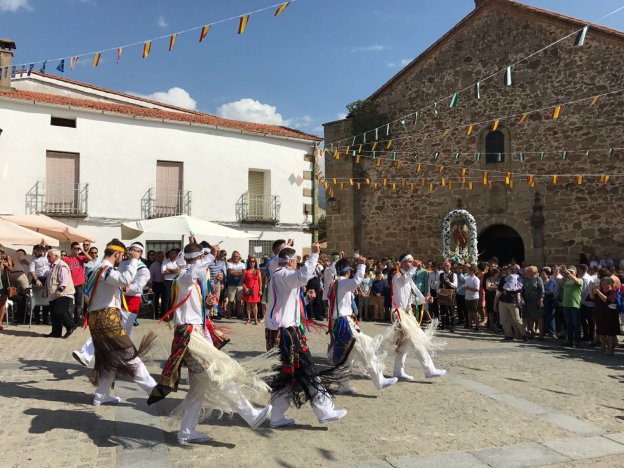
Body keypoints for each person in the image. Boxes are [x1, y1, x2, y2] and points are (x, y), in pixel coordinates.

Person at [148, 241, 273, 444]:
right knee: (220, 374)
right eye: (202, 258)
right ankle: (250, 414)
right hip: (190, 335)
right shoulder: (186, 275)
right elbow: (195, 268)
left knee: (199, 388)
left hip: (194, 334)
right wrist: (210, 255)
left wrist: (206, 302)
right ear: (197, 258)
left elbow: (193, 299)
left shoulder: (189, 278)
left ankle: (186, 432)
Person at [266, 243, 347, 427]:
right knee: (308, 370)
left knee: (285, 375)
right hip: (287, 333)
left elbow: (297, 284)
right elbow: (303, 277)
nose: (298, 265)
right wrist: (314, 255)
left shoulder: (277, 273)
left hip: (283, 332)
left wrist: (306, 297)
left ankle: (277, 416)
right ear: (292, 261)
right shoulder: (284, 275)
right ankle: (324, 410)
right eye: (296, 262)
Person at [82, 238, 157, 406]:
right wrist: (135, 260)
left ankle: (101, 395)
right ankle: (152, 388)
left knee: (109, 359)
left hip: (98, 317)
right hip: (107, 318)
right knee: (128, 354)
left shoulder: (95, 268)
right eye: (122, 255)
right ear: (116, 253)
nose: (123, 258)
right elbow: (124, 280)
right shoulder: (105, 270)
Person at [328, 257, 397, 394]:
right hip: (345, 323)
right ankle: (379, 380)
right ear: (347, 271)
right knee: (367, 349)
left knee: (347, 356)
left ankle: (343, 385)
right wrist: (361, 265)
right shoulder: (342, 283)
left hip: (341, 322)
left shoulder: (336, 283)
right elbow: (356, 281)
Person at [391, 254, 446, 380]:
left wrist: (425, 299)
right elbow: (404, 280)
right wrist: (414, 268)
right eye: (409, 262)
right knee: (416, 342)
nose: (412, 263)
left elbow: (410, 299)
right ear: (403, 263)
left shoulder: (407, 278)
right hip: (400, 314)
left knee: (404, 345)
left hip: (406, 314)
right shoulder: (398, 276)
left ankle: (398, 371)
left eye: (412, 262)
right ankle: (429, 369)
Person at [43, 249, 76, 338]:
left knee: (59, 311)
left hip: (63, 293)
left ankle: (71, 326)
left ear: (55, 256)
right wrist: (46, 292)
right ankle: (56, 333)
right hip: (54, 294)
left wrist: (60, 290)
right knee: (54, 313)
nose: (47, 258)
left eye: (49, 256)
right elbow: (50, 280)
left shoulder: (61, 265)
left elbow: (64, 280)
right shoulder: (53, 266)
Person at [494, 265, 526, 341]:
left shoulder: (518, 278)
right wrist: (495, 305)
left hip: (513, 302)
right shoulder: (503, 279)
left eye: (509, 269)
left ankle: (524, 334)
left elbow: (518, 292)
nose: (507, 271)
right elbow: (498, 292)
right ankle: (509, 335)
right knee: (504, 319)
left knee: (517, 319)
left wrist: (518, 302)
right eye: (506, 269)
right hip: (503, 301)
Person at [64, 242, 93, 326]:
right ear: (71, 249)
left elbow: (90, 258)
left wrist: (82, 250)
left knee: (78, 303)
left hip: (79, 284)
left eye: (78, 249)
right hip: (69, 284)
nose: (77, 250)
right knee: (69, 303)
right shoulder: (66, 259)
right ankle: (69, 320)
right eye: (75, 248)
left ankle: (77, 321)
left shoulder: (80, 258)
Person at [591, 277, 619, 354]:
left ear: (609, 284)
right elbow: (591, 297)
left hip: (610, 316)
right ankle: (603, 347)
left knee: (610, 334)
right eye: (602, 283)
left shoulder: (612, 292)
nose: (602, 285)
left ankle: (610, 349)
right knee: (602, 333)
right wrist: (592, 289)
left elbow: (608, 301)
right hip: (600, 315)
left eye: (604, 283)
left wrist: (599, 292)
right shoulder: (600, 291)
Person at [560, 265, 583, 348]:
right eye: (569, 272)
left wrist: (567, 273)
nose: (569, 273)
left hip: (575, 305)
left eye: (571, 272)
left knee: (576, 324)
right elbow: (557, 279)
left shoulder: (580, 279)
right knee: (569, 324)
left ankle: (577, 341)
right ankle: (570, 341)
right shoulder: (566, 281)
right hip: (566, 304)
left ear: (575, 273)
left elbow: (576, 281)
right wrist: (559, 271)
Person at [521, 266, 545, 339]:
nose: (526, 272)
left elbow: (541, 290)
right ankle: (532, 331)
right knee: (529, 317)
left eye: (528, 271)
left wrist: (540, 300)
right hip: (528, 301)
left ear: (533, 272)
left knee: (539, 317)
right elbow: (523, 290)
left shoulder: (538, 279)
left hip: (537, 301)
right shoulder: (526, 279)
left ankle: (541, 334)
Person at [242, 255, 262, 325]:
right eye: (250, 261)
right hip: (248, 290)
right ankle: (249, 319)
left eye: (253, 261)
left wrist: (260, 290)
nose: (252, 263)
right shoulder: (245, 271)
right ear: (248, 263)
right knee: (248, 304)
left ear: (255, 263)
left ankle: (256, 319)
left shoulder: (257, 271)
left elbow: (260, 282)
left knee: (255, 305)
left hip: (255, 290)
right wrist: (245, 288)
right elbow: (242, 282)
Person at [226, 251, 245, 319]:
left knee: (239, 301)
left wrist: (234, 272)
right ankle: (229, 314)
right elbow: (230, 272)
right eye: (234, 256)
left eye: (237, 256)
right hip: (231, 285)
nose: (235, 257)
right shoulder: (229, 263)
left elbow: (243, 273)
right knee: (230, 301)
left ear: (239, 257)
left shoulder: (242, 264)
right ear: (232, 256)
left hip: (240, 285)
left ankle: (238, 314)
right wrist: (239, 272)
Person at [161, 249, 181, 313]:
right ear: (169, 254)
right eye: (171, 253)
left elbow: (180, 271)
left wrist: (169, 270)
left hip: (176, 281)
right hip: (167, 281)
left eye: (174, 253)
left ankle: (174, 313)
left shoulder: (179, 262)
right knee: (167, 298)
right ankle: (166, 313)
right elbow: (163, 271)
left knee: (176, 297)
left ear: (176, 254)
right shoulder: (165, 262)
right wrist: (175, 270)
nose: (173, 254)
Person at [464, 265, 481, 331]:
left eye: (468, 270)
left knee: (475, 312)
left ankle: (477, 325)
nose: (467, 271)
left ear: (472, 271)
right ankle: (470, 324)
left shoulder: (476, 279)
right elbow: (465, 287)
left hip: (474, 297)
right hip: (467, 297)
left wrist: (468, 288)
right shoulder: (467, 278)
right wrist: (465, 288)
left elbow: (477, 289)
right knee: (469, 311)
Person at [149, 251, 165, 318]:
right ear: (155, 257)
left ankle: (163, 314)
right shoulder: (153, 265)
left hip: (165, 284)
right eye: (158, 256)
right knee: (156, 300)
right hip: (156, 284)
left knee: (164, 300)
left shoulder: (165, 264)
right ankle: (156, 315)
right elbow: (150, 277)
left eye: (161, 256)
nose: (160, 257)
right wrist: (150, 287)